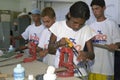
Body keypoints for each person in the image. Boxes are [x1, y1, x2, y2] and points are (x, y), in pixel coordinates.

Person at [48, 1, 96, 77]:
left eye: (81, 24)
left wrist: (86, 54)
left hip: (78, 74)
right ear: (69, 15)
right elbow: (50, 50)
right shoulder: (58, 26)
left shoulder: (86, 29)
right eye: (75, 22)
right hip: (60, 71)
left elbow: (92, 55)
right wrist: (58, 44)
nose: (77, 26)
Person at [88, 0, 120, 80]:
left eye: (97, 9)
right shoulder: (90, 26)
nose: (95, 11)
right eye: (93, 9)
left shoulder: (112, 24)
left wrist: (115, 45)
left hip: (107, 69)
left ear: (104, 8)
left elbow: (118, 42)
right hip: (92, 68)